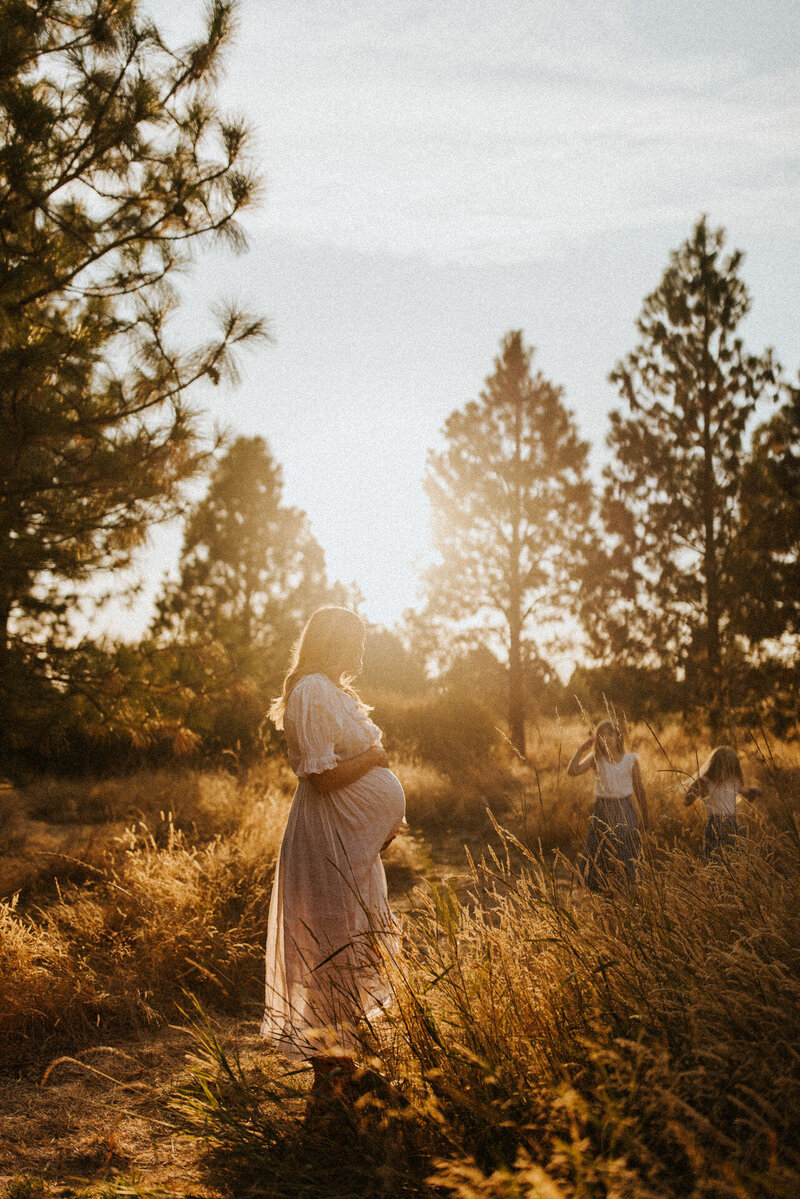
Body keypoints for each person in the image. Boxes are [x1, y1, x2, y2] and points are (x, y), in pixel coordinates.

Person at [260, 606, 406, 1114]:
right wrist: (376, 760)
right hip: (325, 843)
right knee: (330, 951)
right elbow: (319, 776)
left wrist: (378, 822)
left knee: (347, 945)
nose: (362, 650)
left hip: (347, 841)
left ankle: (343, 1079)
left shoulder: (331, 691)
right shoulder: (313, 691)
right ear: (334, 642)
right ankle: (333, 1086)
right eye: (357, 641)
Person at [567, 719, 650, 890]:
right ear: (597, 739)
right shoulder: (596, 759)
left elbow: (639, 790)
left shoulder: (630, 760)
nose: (606, 738)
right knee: (600, 847)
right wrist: (581, 749)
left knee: (626, 847)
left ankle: (627, 887)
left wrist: (646, 817)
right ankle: (601, 890)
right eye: (602, 735)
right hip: (603, 808)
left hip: (625, 808)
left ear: (618, 736)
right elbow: (572, 771)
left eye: (610, 734)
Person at [684, 746, 761, 859]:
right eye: (724, 767)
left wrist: (753, 791)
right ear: (715, 766)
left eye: (731, 768)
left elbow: (748, 797)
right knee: (716, 856)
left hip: (733, 822)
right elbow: (687, 801)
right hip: (715, 824)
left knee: (736, 856)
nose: (726, 771)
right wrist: (696, 788)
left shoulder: (732, 780)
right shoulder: (706, 781)